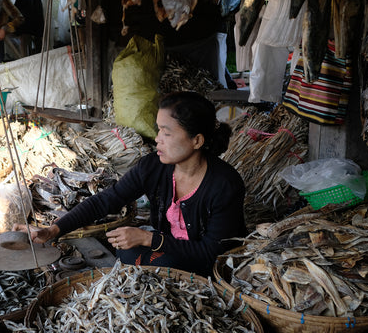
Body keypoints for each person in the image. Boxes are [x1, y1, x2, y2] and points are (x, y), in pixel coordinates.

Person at [14, 91, 247, 277]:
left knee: (158, 261)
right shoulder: (153, 167)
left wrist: (150, 239)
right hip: (168, 249)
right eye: (158, 130)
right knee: (127, 250)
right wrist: (53, 230)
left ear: (197, 140)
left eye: (166, 133)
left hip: (207, 264)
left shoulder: (224, 185)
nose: (157, 139)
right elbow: (105, 200)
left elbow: (214, 253)